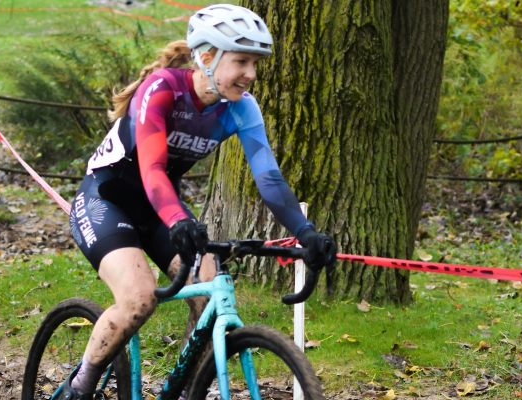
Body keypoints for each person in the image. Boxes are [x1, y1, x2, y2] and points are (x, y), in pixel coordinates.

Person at [63, 4, 338, 398]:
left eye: (255, 63)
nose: (251, 74)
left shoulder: (241, 108)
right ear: (207, 58)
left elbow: (270, 179)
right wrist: (178, 219)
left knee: (210, 284)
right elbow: (153, 168)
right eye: (241, 61)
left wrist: (305, 232)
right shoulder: (162, 89)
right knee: (139, 298)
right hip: (107, 199)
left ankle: (187, 388)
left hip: (160, 208)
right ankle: (81, 385)